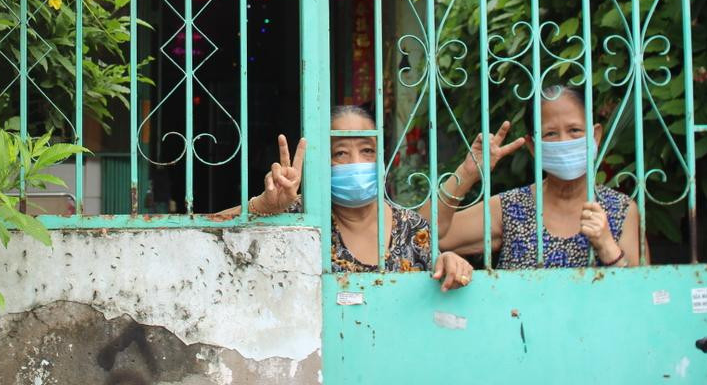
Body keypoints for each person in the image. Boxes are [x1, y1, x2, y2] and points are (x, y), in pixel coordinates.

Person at [217, 105, 476, 290]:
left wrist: (449, 262)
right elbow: (203, 227)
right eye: (341, 153)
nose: (356, 162)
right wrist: (261, 207)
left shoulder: (412, 227)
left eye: (367, 150)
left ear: (382, 158)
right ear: (321, 161)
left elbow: (437, 276)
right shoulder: (296, 215)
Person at [438, 86, 644, 268]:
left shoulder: (621, 210)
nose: (563, 141)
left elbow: (642, 296)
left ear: (595, 136)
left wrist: (608, 248)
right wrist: (466, 174)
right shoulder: (511, 207)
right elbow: (424, 236)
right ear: (533, 146)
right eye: (551, 134)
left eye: (574, 130)